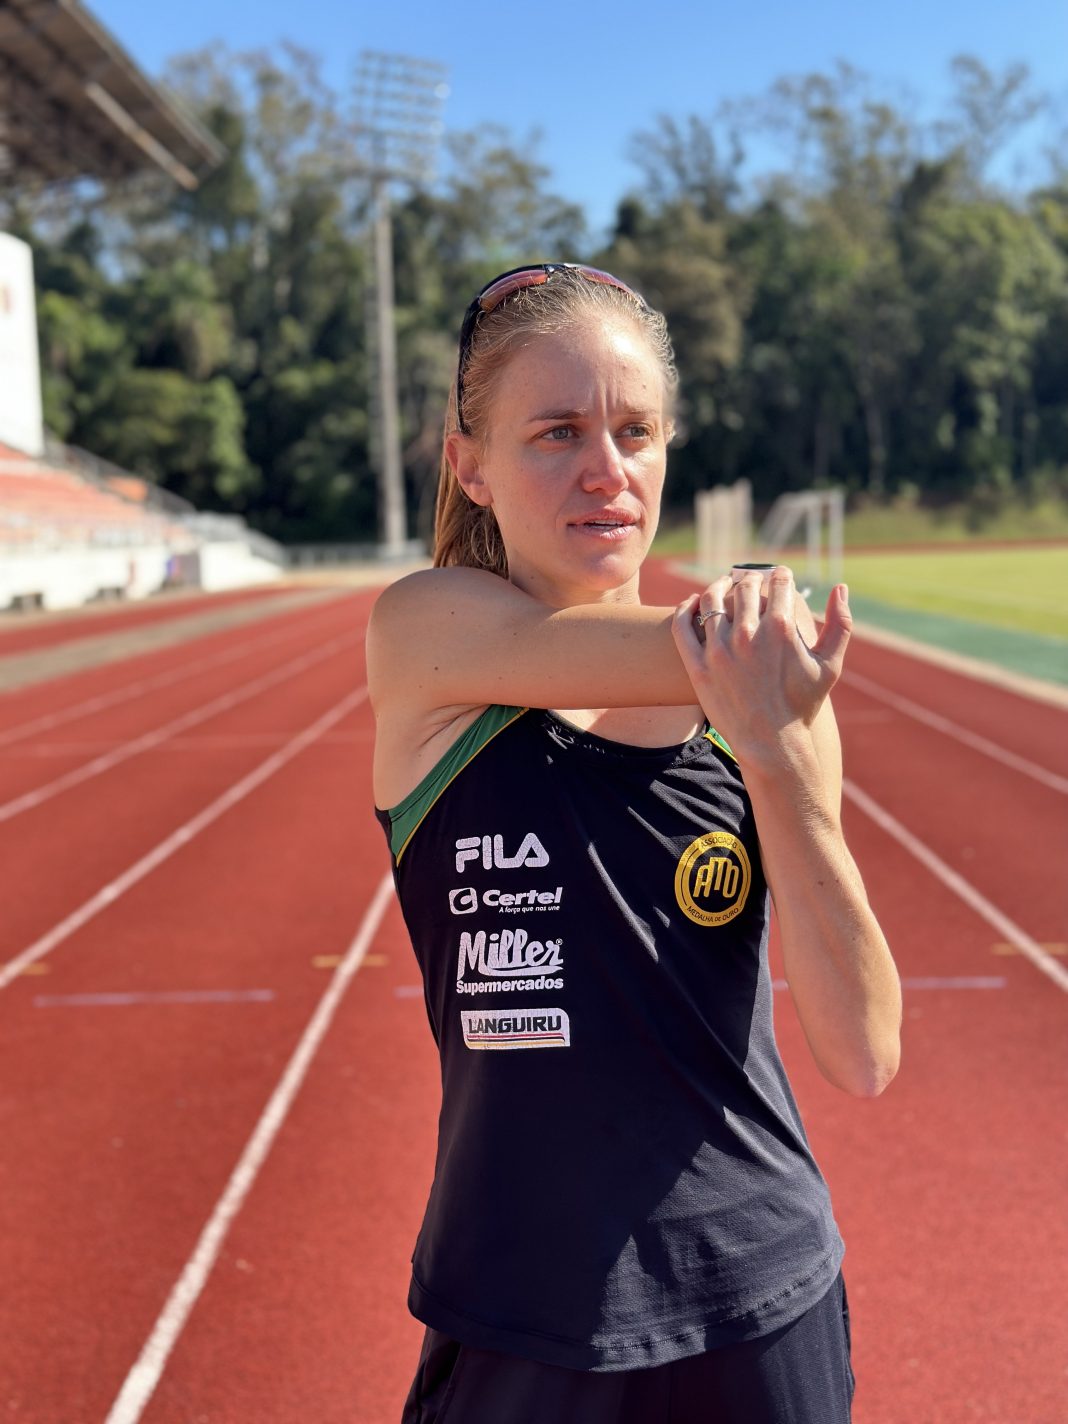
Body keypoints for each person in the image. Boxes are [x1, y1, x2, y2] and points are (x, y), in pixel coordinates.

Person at [367, 263, 901, 1424]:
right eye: (557, 432)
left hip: (760, 1301)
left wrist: (781, 764)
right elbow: (691, 652)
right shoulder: (427, 634)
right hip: (521, 1306)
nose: (607, 469)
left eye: (635, 431)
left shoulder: (763, 703)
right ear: (469, 462)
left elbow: (864, 1048)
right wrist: (765, 654)